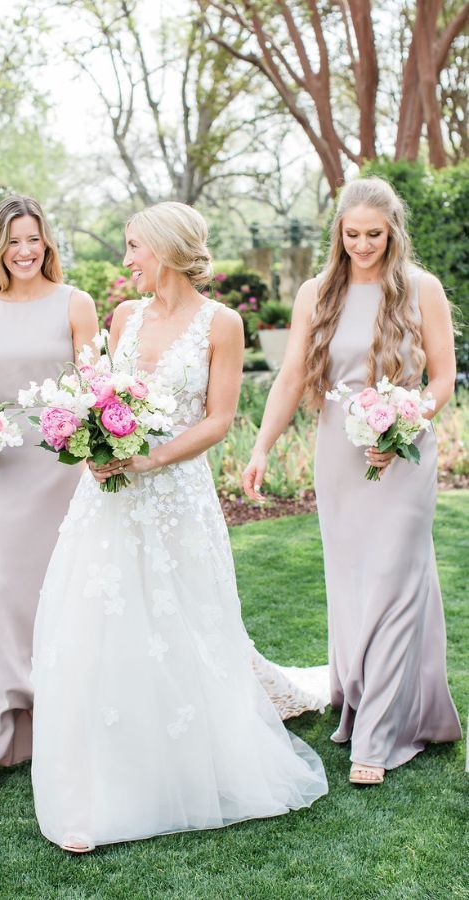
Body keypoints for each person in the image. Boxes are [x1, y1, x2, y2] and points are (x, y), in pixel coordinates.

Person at [30, 201, 328, 852]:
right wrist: (97, 446)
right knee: (101, 620)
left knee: (186, 622)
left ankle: (194, 761)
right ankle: (107, 771)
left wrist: (154, 459)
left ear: (163, 250)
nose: (127, 258)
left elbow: (219, 417)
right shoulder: (123, 318)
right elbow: (109, 399)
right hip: (111, 496)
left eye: (134, 246)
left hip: (179, 496)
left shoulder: (222, 324)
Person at [242, 177, 461, 785]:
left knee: (395, 579)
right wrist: (261, 446)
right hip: (339, 453)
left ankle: (380, 737)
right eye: (352, 234)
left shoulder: (423, 289)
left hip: (404, 454)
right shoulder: (319, 291)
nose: (363, 245)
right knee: (353, 582)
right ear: (337, 232)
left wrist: (406, 422)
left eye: (375, 234)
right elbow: (290, 378)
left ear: (393, 231)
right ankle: (362, 695)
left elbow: (441, 377)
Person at [0, 197, 97, 798]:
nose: (24, 251)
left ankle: (63, 729)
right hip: (2, 472)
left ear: (47, 243)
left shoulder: (76, 303)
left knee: (61, 596)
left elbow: (96, 388)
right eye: (13, 241)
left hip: (62, 470)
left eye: (33, 239)